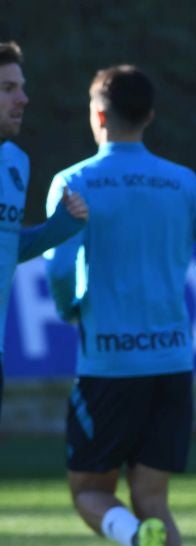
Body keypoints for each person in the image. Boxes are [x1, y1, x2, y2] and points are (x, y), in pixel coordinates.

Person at [44, 64, 196, 546]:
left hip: (107, 368)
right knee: (155, 499)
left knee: (88, 491)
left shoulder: (75, 181)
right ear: (150, 116)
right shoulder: (180, 182)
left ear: (98, 115)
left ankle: (133, 537)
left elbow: (60, 267)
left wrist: (70, 307)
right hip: (171, 364)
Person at [0, 40, 89, 421]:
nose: (23, 98)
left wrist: (59, 228)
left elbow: (7, 247)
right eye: (7, 88)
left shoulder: (15, 163)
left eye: (20, 87)